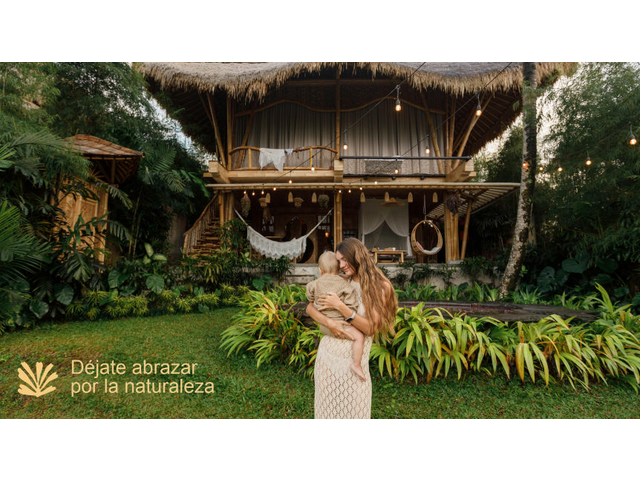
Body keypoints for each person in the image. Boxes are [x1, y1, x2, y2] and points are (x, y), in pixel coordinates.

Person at [306, 237, 398, 419]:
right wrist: (329, 323)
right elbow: (309, 308)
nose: (341, 265)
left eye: (344, 260)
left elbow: (370, 329)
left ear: (356, 256)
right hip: (328, 358)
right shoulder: (340, 281)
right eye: (338, 261)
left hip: (354, 364)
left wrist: (341, 307)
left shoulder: (380, 287)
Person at [306, 251, 366, 382]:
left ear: (320, 270)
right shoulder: (345, 284)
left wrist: (314, 299)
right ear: (339, 269)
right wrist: (349, 309)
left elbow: (309, 296)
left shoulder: (315, 283)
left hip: (324, 327)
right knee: (359, 337)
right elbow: (351, 303)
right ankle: (356, 364)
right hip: (343, 326)